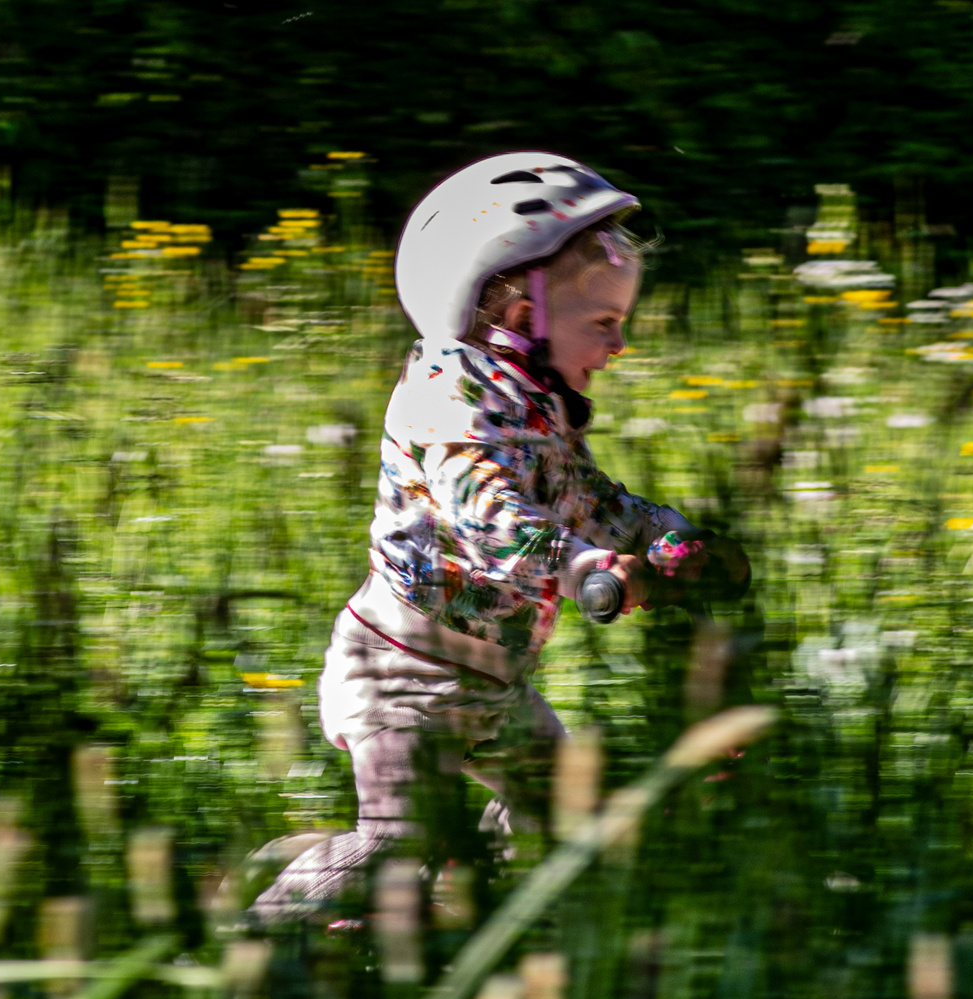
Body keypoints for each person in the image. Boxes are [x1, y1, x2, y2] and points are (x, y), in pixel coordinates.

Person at [251, 152, 747, 922]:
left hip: (493, 683)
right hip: (401, 677)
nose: (620, 345)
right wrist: (580, 565)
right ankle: (250, 939)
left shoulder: (535, 406)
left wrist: (669, 539)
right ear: (523, 318)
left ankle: (455, 915)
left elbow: (585, 497)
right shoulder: (444, 397)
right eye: (606, 323)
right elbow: (486, 511)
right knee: (398, 839)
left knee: (563, 815)